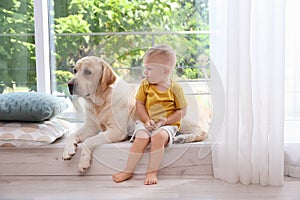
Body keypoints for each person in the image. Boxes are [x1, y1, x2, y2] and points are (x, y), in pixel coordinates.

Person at [112, 44, 188, 185]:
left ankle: (152, 171)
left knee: (158, 137)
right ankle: (128, 170)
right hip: (147, 121)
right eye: (145, 68)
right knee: (141, 138)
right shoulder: (145, 85)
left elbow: (182, 111)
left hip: (168, 124)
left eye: (149, 68)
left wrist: (164, 122)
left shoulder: (175, 88)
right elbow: (139, 104)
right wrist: (146, 120)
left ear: (165, 72)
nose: (145, 72)